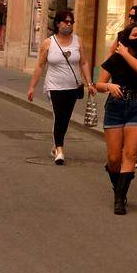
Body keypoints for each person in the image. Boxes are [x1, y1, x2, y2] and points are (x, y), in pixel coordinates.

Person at [94, 10, 137, 214]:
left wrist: (124, 51)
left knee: (130, 153)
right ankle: (118, 186)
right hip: (115, 108)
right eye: (134, 35)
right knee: (114, 158)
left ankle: (119, 198)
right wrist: (109, 87)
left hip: (136, 106)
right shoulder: (114, 60)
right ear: (126, 38)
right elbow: (98, 84)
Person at [27, 9, 92, 165]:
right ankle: (60, 148)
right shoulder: (49, 43)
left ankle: (56, 145)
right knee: (59, 115)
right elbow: (40, 66)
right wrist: (32, 87)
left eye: (71, 22)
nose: (69, 25)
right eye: (66, 22)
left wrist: (89, 83)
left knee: (66, 118)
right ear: (57, 23)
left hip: (72, 86)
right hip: (54, 86)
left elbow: (83, 62)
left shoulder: (78, 41)